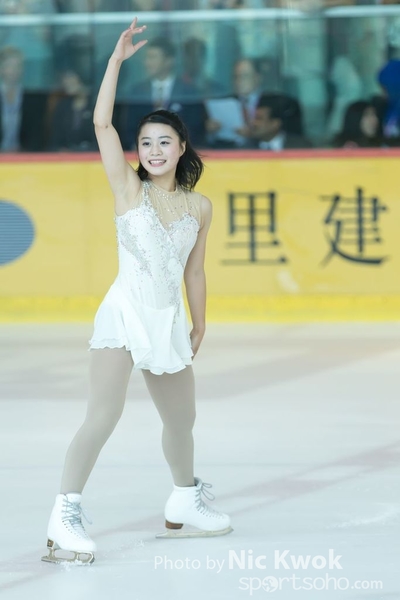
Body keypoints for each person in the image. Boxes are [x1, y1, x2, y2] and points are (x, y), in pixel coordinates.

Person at [41, 18, 232, 566]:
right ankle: (64, 515)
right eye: (145, 142)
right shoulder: (128, 188)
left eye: (163, 141)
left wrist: (200, 322)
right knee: (102, 416)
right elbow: (102, 123)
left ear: (181, 147)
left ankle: (185, 499)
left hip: (168, 320)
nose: (152, 150)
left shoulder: (199, 206)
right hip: (125, 313)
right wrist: (115, 62)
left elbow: (194, 272)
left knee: (181, 421)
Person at [123, 37, 207, 149]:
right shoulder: (137, 91)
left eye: (153, 57)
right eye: (147, 58)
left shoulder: (189, 91)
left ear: (169, 61)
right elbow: (130, 129)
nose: (147, 63)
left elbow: (196, 128)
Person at [0, 46, 48, 151]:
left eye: (18, 66)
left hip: (23, 156)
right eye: (9, 66)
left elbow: (36, 137)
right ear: (1, 69)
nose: (14, 70)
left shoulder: (32, 100)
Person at [48, 70, 97, 151]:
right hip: (67, 156)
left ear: (81, 80)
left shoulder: (95, 105)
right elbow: (56, 137)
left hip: (92, 155)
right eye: (65, 82)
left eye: (71, 80)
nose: (67, 83)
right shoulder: (62, 106)